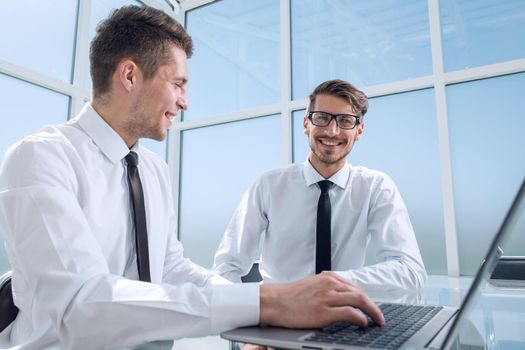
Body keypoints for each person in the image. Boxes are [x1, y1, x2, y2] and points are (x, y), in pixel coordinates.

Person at [0, 6, 384, 350]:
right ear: (130, 75)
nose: (185, 102)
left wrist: (270, 307)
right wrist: (265, 303)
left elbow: (171, 268)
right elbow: (79, 306)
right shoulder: (41, 157)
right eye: (178, 84)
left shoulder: (152, 169)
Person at [214, 79, 427, 292]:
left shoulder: (376, 187)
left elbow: (411, 272)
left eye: (345, 120)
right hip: (276, 312)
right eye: (322, 118)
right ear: (306, 124)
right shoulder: (268, 185)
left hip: (345, 312)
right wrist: (249, 310)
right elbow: (227, 266)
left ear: (359, 130)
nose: (332, 131)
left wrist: (335, 283)